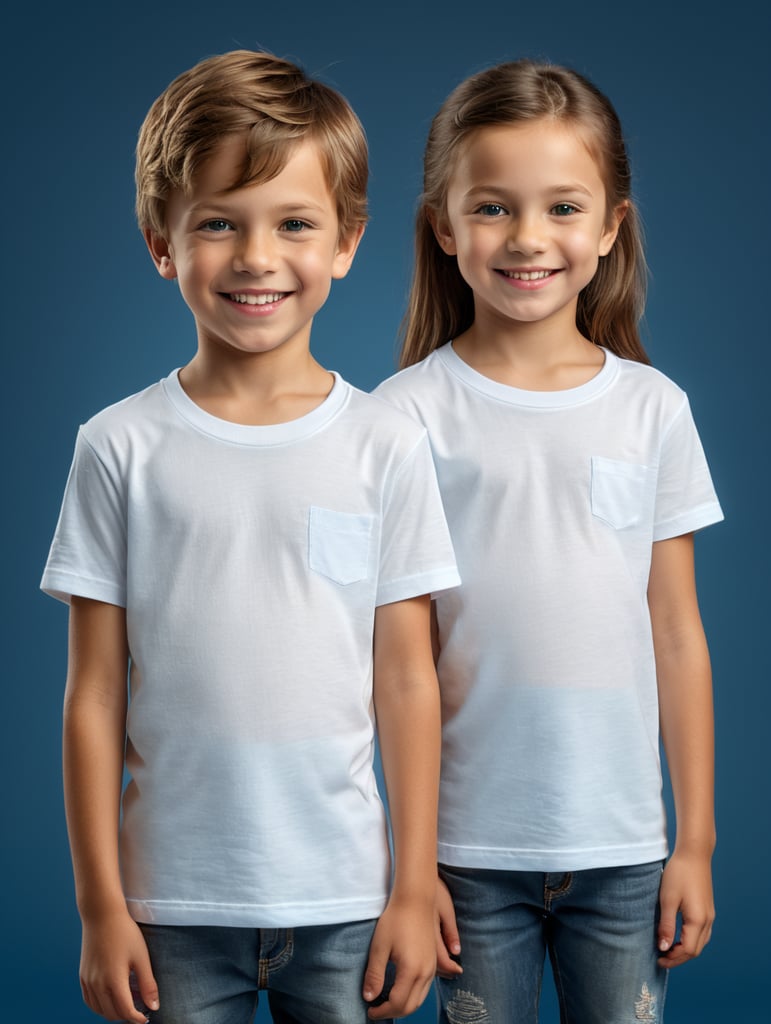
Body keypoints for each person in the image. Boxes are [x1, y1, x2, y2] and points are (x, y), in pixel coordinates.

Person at [41, 49, 460, 1024]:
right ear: (161, 239)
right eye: (218, 223)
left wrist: (410, 885)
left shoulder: (386, 443)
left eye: (294, 223)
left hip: (346, 902)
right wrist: (101, 906)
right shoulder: (119, 446)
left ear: (347, 241)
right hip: (170, 907)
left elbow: (407, 677)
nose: (256, 256)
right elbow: (94, 694)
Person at [375, 59, 723, 1023]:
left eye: (562, 207)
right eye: (492, 207)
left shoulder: (653, 410)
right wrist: (411, 872)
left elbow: (675, 633)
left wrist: (690, 841)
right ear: (444, 225)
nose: (528, 238)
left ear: (611, 224)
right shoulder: (403, 417)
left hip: (622, 850)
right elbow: (396, 663)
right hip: (464, 857)